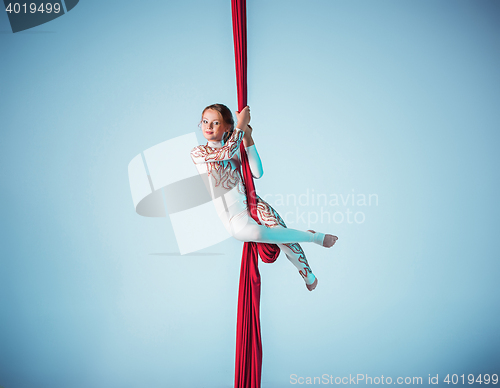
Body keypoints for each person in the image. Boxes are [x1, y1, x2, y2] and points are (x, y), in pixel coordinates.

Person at [190, 103, 338, 291]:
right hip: (235, 220)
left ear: (227, 127)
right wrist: (241, 127)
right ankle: (312, 237)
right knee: (258, 234)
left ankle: (307, 273)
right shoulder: (199, 153)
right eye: (205, 121)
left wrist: (248, 138)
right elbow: (224, 153)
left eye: (215, 122)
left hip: (253, 202)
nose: (208, 127)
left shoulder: (236, 148)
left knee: (282, 234)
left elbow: (257, 173)